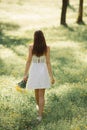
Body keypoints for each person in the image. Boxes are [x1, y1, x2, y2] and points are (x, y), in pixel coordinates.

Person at [23, 30, 55, 121]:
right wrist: (51, 76)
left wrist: (25, 74)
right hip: (43, 70)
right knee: (41, 94)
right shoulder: (47, 48)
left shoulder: (31, 47)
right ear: (43, 37)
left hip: (34, 70)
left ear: (35, 38)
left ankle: (39, 110)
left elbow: (28, 61)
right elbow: (48, 62)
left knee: (37, 92)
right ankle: (40, 115)